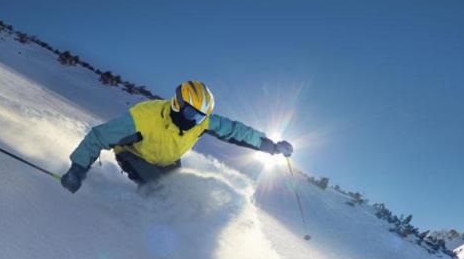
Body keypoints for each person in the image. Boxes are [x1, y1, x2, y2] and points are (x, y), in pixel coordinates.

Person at [61, 80, 294, 193]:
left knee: (180, 194)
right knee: (155, 189)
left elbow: (235, 131)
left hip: (168, 160)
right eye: (191, 113)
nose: (194, 120)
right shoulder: (144, 116)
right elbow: (99, 136)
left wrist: (270, 146)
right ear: (177, 103)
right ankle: (135, 229)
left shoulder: (199, 123)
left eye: (201, 116)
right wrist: (77, 170)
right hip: (135, 154)